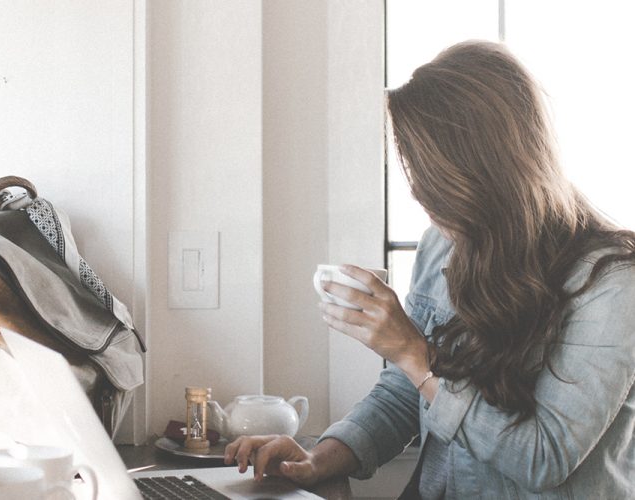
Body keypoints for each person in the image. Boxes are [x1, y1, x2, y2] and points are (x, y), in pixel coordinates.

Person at [224, 40, 635, 499]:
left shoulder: (612, 286)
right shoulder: (443, 246)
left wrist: (415, 354)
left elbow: (543, 459)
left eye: (430, 177)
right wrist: (319, 458)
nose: (419, 193)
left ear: (485, 170)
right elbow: (406, 393)